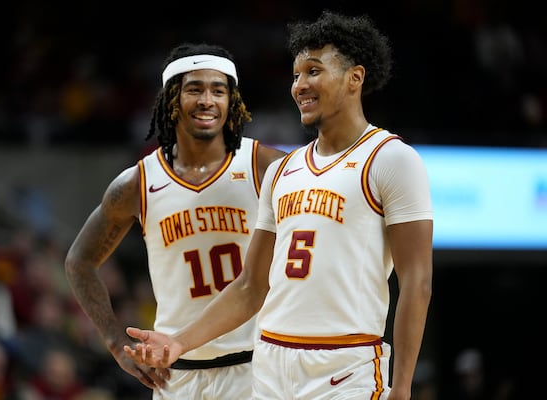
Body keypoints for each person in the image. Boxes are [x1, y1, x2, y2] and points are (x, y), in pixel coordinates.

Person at [125, 11, 434, 400]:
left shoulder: (392, 159)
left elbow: (417, 284)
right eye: (295, 75)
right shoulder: (283, 170)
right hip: (270, 362)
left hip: (344, 365)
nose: (299, 85)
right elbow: (251, 285)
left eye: (313, 71)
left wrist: (402, 386)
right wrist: (179, 343)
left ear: (355, 77)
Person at [64, 42, 286, 399]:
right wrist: (114, 340)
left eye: (218, 90)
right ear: (172, 99)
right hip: (176, 376)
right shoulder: (137, 183)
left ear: (232, 101)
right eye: (194, 89)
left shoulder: (266, 166)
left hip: (258, 367)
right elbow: (79, 261)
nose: (207, 100)